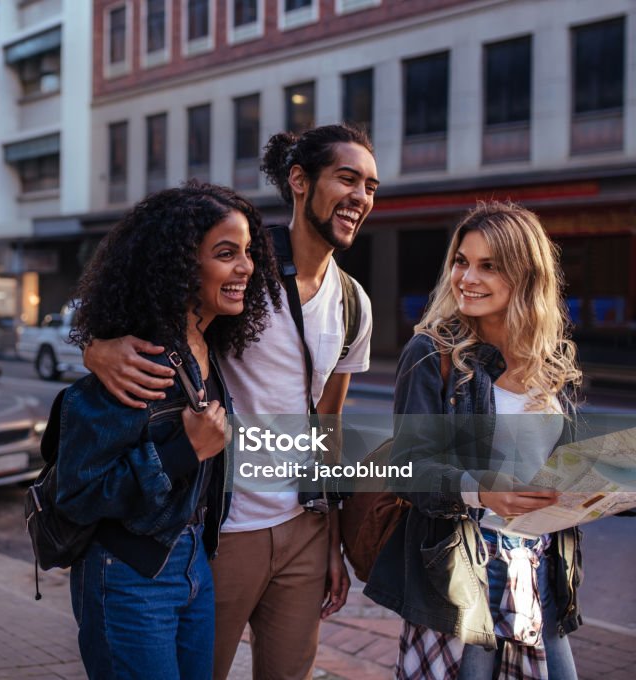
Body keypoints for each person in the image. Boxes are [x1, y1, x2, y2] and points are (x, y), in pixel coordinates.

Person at [84, 124, 379, 679]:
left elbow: (329, 426)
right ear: (299, 180)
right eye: (347, 179)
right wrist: (96, 349)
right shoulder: (242, 267)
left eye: (371, 186)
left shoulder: (354, 304)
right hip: (222, 528)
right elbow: (144, 307)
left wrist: (333, 541)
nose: (361, 197)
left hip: (304, 530)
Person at [55, 181, 282, 679]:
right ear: (180, 266)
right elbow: (78, 493)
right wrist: (182, 453)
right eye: (226, 253)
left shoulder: (208, 345)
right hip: (131, 571)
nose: (246, 267)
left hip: (194, 561)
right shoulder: (138, 361)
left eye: (247, 252)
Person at [364, 201, 584, 679]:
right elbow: (410, 469)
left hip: (541, 566)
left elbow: (562, 467)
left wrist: (603, 485)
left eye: (489, 266)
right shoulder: (432, 353)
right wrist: (482, 490)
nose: (466, 277)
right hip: (464, 565)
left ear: (526, 276)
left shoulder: (551, 362)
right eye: (462, 261)